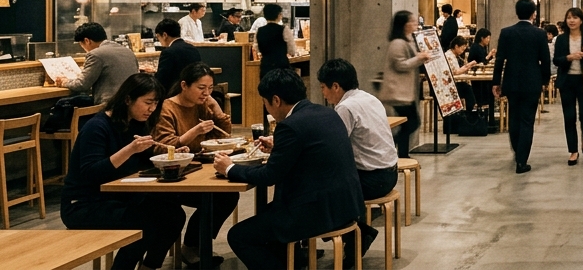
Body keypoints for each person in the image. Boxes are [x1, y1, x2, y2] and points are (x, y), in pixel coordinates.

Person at [216, 69, 365, 270]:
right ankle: (293, 260)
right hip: (346, 204)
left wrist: (230, 168)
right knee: (270, 214)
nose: (267, 108)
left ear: (276, 100)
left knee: (239, 236)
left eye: (265, 102)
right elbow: (311, 151)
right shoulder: (327, 112)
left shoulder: (290, 125)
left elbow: (270, 176)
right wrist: (280, 146)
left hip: (316, 211)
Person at [60, 73, 185, 270]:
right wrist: (130, 149)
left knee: (173, 214)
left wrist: (172, 155)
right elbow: (91, 173)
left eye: (155, 104)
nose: (152, 109)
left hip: (120, 197)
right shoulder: (97, 126)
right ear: (128, 99)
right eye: (148, 102)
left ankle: (149, 267)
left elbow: (144, 160)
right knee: (145, 223)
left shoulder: (137, 123)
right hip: (84, 204)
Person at [153, 62, 237, 267]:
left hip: (198, 168)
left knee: (228, 194)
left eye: (210, 89)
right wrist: (195, 131)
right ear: (184, 85)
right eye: (201, 88)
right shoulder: (167, 108)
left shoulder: (202, 105)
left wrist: (216, 108)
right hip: (173, 176)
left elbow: (222, 135)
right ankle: (192, 247)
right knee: (218, 197)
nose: (206, 93)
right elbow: (163, 147)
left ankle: (194, 245)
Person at [317, 58, 396, 260]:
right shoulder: (369, 98)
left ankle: (357, 235)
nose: (322, 93)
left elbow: (335, 147)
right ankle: (356, 235)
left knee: (316, 191)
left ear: (336, 86)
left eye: (323, 87)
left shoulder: (345, 107)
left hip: (373, 179)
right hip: (389, 173)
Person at [492, 0, 551, 173]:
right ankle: (522, 160)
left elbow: (499, 59)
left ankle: (518, 152)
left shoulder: (506, 32)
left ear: (516, 13)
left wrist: (496, 82)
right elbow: (545, 61)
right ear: (534, 14)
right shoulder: (540, 33)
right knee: (527, 120)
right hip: (532, 82)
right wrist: (545, 81)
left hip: (511, 82)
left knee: (514, 118)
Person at [380, 10, 436, 159]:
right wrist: (419, 58)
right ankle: (392, 147)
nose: (414, 24)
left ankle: (402, 154)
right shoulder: (397, 43)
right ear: (404, 25)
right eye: (411, 21)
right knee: (412, 123)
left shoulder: (407, 40)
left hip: (405, 92)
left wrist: (420, 57)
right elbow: (400, 65)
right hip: (398, 92)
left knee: (408, 123)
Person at [553, 8, 583, 165]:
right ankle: (573, 150)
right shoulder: (560, 39)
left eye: (575, 18)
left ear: (581, 20)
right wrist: (568, 57)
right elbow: (556, 60)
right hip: (567, 81)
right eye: (569, 18)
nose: (571, 21)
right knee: (569, 116)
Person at [56, 22, 140, 105]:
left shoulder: (95, 54)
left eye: (81, 44)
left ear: (87, 41)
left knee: (63, 103)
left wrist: (64, 81)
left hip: (109, 106)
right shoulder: (127, 51)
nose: (83, 48)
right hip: (130, 104)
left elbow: (82, 84)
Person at [152, 18, 200, 97]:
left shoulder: (168, 52)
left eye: (158, 37)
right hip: (192, 94)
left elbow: (161, 79)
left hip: (173, 95)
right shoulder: (193, 49)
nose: (159, 41)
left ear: (164, 35)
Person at [444, 35, 480, 110]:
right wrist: (469, 65)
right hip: (450, 85)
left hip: (453, 82)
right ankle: (471, 112)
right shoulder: (449, 56)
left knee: (468, 87)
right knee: (467, 88)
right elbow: (456, 72)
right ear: (456, 46)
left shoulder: (453, 55)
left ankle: (472, 109)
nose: (463, 51)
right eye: (462, 48)